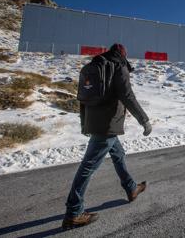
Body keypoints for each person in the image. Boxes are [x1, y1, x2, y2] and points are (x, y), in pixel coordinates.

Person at [62, 43, 152, 230]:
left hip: (96, 123)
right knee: (88, 166)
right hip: (108, 125)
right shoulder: (118, 66)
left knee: (118, 155)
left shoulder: (94, 66)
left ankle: (131, 188)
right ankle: (74, 213)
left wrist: (84, 123)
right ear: (122, 54)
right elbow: (127, 95)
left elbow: (83, 98)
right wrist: (144, 120)